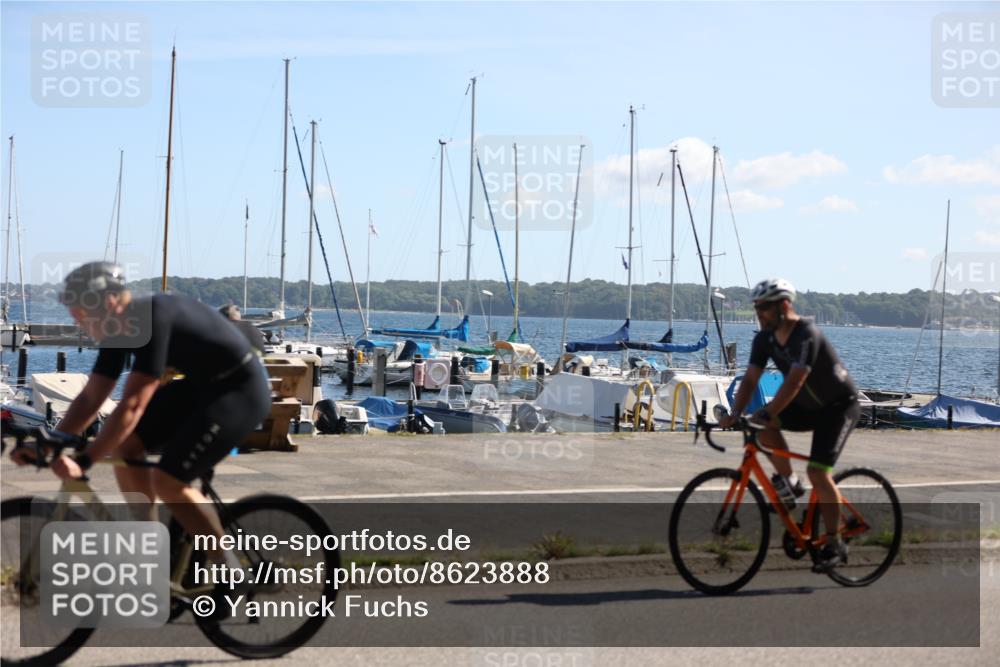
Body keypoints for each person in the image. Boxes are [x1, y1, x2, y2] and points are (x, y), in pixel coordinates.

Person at [11, 261, 271, 572]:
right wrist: (53, 441)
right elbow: (92, 397)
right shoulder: (117, 331)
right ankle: (152, 550)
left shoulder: (150, 320)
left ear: (107, 302)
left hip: (240, 391)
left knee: (167, 481)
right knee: (126, 447)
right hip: (201, 388)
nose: (76, 321)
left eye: (79, 312)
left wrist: (85, 460)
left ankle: (229, 569)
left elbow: (132, 405)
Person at [721, 277, 860, 572]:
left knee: (818, 473)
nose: (759, 314)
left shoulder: (805, 333)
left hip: (838, 408)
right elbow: (749, 379)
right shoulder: (764, 338)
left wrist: (769, 411)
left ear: (784, 305)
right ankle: (792, 485)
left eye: (764, 308)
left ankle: (835, 542)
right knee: (764, 426)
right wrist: (734, 413)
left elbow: (796, 381)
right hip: (809, 407)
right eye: (757, 308)